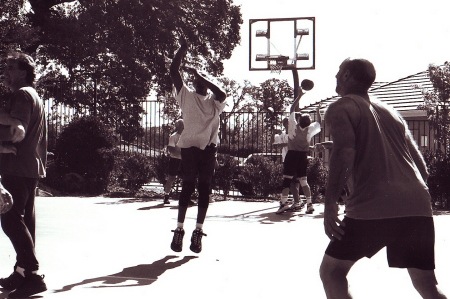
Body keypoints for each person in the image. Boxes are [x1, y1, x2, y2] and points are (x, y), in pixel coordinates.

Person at [319, 58, 447, 299]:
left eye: (338, 72)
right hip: (417, 206)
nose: (335, 77)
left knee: (332, 272)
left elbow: (344, 153)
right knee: (427, 285)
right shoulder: (392, 113)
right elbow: (422, 168)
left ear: (347, 75)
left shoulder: (341, 107)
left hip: (372, 205)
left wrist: (329, 204)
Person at [169, 36, 226, 253]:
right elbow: (174, 71)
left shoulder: (214, 103)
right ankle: (180, 230)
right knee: (190, 188)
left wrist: (200, 75)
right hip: (193, 150)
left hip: (206, 150)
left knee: (201, 189)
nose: (197, 81)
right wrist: (182, 49)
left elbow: (221, 92)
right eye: (197, 80)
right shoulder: (187, 96)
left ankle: (196, 231)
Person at [0, 51, 48, 298]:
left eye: (10, 66)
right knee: (25, 221)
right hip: (29, 167)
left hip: (16, 166)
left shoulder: (21, 94)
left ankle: (33, 273)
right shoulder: (34, 95)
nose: (5, 71)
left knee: (9, 219)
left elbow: (15, 133)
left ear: (23, 71)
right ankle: (21, 272)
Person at [276, 95, 321, 214]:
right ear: (309, 123)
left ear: (299, 120)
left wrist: (299, 96)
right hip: (302, 156)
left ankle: (284, 203)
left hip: (292, 155)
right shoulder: (310, 130)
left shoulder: (293, 127)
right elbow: (319, 123)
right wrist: (317, 111)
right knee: (303, 181)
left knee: (287, 180)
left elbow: (292, 109)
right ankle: (310, 204)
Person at [273, 117, 301, 210]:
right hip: (286, 159)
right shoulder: (283, 135)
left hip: (294, 159)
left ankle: (296, 201)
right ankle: (296, 200)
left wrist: (285, 144)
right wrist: (274, 133)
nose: (286, 125)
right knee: (291, 181)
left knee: (293, 182)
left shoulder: (294, 134)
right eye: (285, 123)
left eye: (287, 123)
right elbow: (275, 144)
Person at [163, 119, 184, 205]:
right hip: (175, 160)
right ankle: (166, 196)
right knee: (171, 178)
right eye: (182, 126)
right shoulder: (173, 136)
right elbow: (171, 149)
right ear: (178, 127)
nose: (184, 127)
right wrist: (182, 152)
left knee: (186, 178)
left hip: (184, 160)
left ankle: (185, 198)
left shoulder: (186, 136)